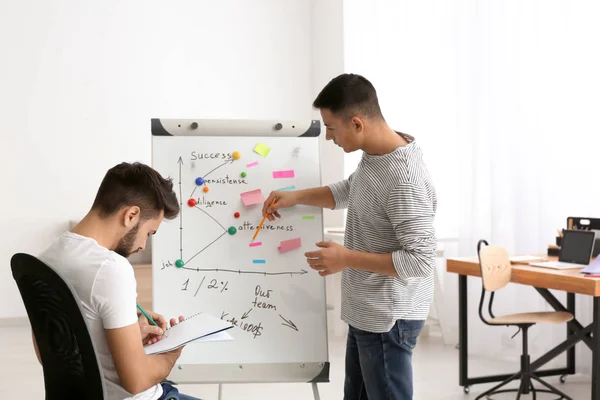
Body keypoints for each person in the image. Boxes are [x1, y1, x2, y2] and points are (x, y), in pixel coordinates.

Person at [262, 73, 437, 400]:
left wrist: (346, 258)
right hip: (368, 311)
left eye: (330, 127)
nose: (328, 137)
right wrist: (296, 196)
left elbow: (421, 260)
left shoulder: (404, 179)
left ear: (356, 123)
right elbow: (351, 191)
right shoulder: (377, 157)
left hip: (389, 317)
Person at [34, 162, 200, 400]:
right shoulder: (110, 268)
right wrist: (173, 350)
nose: (143, 244)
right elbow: (137, 381)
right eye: (149, 233)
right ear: (131, 215)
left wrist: (132, 332)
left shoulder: (47, 258)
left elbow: (49, 355)